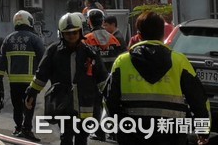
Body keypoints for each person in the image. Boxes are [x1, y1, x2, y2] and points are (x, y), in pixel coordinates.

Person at [105, 10, 211, 145]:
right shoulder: (179, 61)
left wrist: (120, 129)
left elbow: (110, 100)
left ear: (138, 35)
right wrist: (203, 132)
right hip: (172, 135)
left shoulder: (122, 62)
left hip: (133, 135)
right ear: (163, 34)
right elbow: (199, 100)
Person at [25, 12, 108, 145]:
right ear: (61, 34)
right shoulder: (53, 51)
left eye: (74, 33)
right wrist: (32, 92)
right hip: (63, 103)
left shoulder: (90, 52)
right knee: (66, 137)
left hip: (85, 104)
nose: (71, 36)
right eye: (68, 33)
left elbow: (102, 78)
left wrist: (110, 96)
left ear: (80, 32)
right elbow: (42, 74)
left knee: (82, 137)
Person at [0, 10, 45, 141]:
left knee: (17, 106)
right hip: (31, 82)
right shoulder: (35, 39)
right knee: (29, 104)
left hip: (14, 82)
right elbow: (44, 59)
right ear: (29, 22)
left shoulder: (8, 39)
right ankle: (27, 129)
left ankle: (17, 127)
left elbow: (1, 60)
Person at [83, 9, 122, 142]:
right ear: (103, 21)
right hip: (111, 78)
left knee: (96, 105)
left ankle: (98, 132)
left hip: (92, 78)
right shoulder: (113, 39)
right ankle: (113, 132)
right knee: (111, 105)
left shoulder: (87, 40)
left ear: (89, 21)